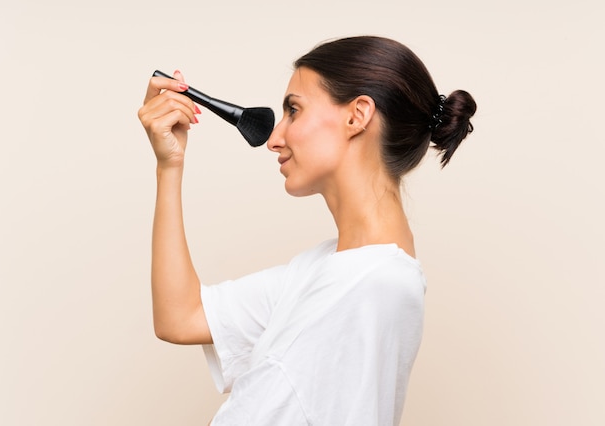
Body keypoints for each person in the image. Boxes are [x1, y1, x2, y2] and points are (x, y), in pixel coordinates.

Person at [138, 35, 476, 425]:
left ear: (357, 115)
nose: (274, 138)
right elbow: (182, 317)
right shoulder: (334, 269)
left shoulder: (364, 283)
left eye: (293, 111)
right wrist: (170, 166)